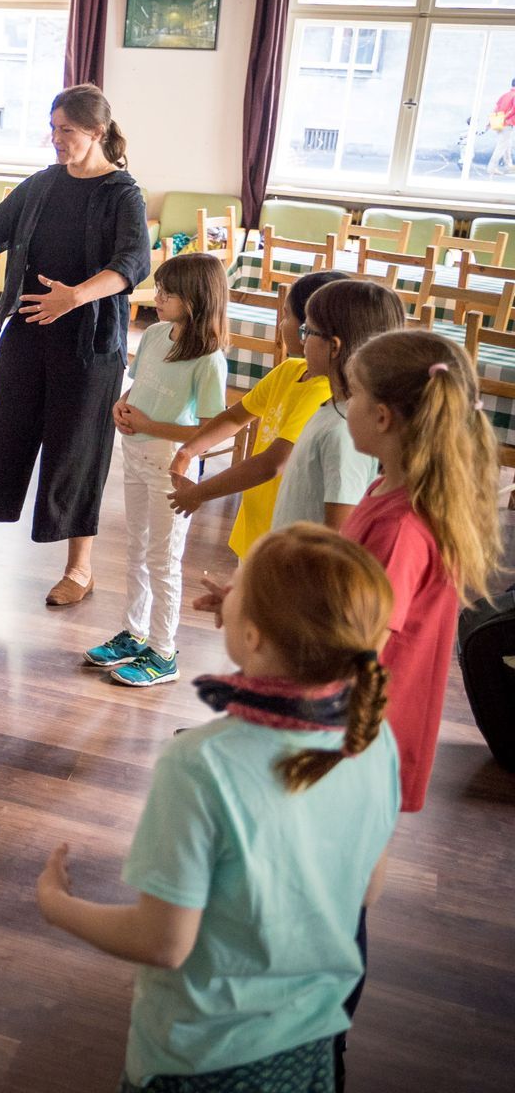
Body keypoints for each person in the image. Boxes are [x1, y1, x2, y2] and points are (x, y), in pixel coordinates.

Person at [38, 524, 398, 1093]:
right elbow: (366, 893)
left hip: (201, 1060)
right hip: (312, 1045)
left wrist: (57, 905)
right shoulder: (373, 738)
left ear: (251, 636)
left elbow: (162, 942)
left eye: (241, 588)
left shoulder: (199, 764)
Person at [0, 85, 151, 606]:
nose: (56, 139)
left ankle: (80, 570)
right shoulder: (40, 186)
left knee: (77, 454)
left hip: (89, 347)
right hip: (26, 337)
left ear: (97, 132)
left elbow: (133, 265)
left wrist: (74, 298)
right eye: (53, 128)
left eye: (67, 130)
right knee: (0, 440)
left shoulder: (122, 194)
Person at [343, 329, 504, 813]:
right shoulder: (385, 492)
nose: (345, 404)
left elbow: (361, 643)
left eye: (352, 393)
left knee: (352, 841)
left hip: (363, 723)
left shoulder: (402, 529)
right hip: (365, 718)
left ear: (382, 416)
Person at [81, 252, 229, 688]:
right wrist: (124, 404)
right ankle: (135, 633)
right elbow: (140, 383)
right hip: (135, 454)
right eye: (159, 288)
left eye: (169, 291)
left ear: (196, 299)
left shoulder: (209, 359)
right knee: (137, 550)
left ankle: (164, 651)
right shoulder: (156, 334)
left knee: (164, 559)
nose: (158, 296)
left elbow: (208, 430)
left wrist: (148, 424)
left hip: (171, 464)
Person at [165, 270, 348, 552]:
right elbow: (236, 416)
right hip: (256, 526)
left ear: (309, 329)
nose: (281, 324)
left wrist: (200, 493)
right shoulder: (290, 370)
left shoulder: (322, 393)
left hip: (286, 539)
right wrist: (188, 451)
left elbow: (271, 464)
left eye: (288, 316)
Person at [268, 280, 403, 533]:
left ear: (334, 346)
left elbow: (336, 537)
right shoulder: (334, 410)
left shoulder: (345, 430)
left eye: (308, 331)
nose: (303, 340)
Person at [487, 76, 515, 175]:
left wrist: (490, 122)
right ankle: (492, 168)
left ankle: (509, 165)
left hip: (497, 123)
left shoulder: (504, 95)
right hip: (506, 124)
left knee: (507, 145)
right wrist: (504, 118)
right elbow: (513, 110)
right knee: (501, 147)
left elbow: (496, 109)